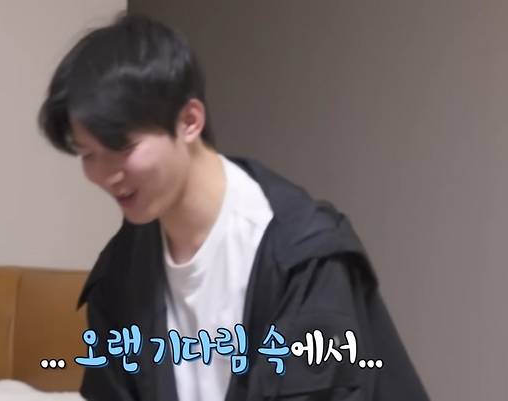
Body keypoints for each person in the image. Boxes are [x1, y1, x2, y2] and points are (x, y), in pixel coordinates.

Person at [38, 12, 431, 401]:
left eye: (122, 147)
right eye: (88, 155)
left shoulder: (301, 257)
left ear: (189, 121)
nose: (105, 174)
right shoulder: (119, 274)